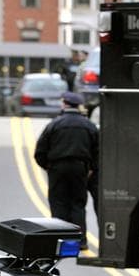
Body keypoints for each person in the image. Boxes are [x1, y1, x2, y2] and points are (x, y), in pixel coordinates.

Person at [34, 91, 99, 249]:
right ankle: (80, 241)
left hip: (57, 168)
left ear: (65, 104)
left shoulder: (54, 124)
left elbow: (40, 152)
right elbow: (98, 151)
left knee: (58, 204)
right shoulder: (88, 125)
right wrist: (91, 169)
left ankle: (59, 240)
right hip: (80, 168)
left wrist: (48, 167)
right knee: (78, 204)